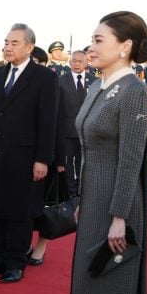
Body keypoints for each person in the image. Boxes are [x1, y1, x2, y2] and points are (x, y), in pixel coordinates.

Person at [65, 10, 147, 294]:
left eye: (99, 40)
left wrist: (120, 215)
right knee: (94, 283)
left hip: (118, 201)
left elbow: (131, 159)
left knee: (113, 286)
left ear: (125, 46)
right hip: (96, 196)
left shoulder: (134, 91)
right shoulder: (101, 87)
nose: (91, 46)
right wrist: (84, 200)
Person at [0, 24, 58, 283]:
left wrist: (43, 158)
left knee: (18, 211)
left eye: (14, 43)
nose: (8, 47)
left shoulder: (44, 78)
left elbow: (48, 122)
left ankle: (15, 263)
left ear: (30, 47)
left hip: (24, 157)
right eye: (6, 42)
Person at [59, 49, 90, 197]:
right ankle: (70, 190)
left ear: (86, 62)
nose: (77, 64)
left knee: (82, 161)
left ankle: (81, 188)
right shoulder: (60, 80)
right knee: (67, 162)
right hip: (67, 130)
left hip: (86, 130)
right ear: (70, 62)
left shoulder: (95, 81)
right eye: (74, 61)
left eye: (80, 61)